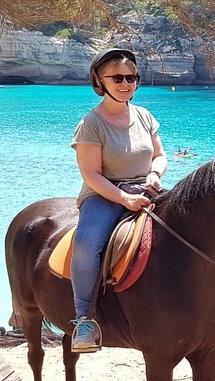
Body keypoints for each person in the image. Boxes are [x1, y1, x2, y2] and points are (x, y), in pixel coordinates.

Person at [70, 48, 168, 353]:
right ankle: (83, 320)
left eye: (131, 77)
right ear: (100, 80)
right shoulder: (91, 123)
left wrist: (155, 173)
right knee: (87, 243)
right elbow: (91, 175)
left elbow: (160, 156)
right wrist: (124, 198)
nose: (125, 83)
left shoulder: (144, 116)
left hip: (146, 189)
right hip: (105, 194)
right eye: (118, 78)